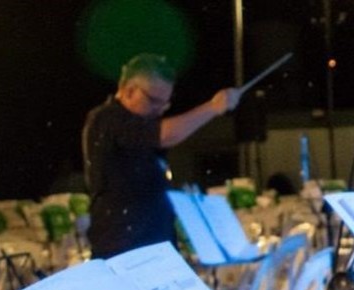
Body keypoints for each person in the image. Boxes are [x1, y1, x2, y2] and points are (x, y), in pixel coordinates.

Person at [82, 53, 239, 259]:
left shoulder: (139, 126)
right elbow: (166, 135)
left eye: (165, 104)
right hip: (122, 252)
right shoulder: (107, 119)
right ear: (130, 91)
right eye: (154, 101)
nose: (159, 110)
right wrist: (213, 107)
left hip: (154, 247)